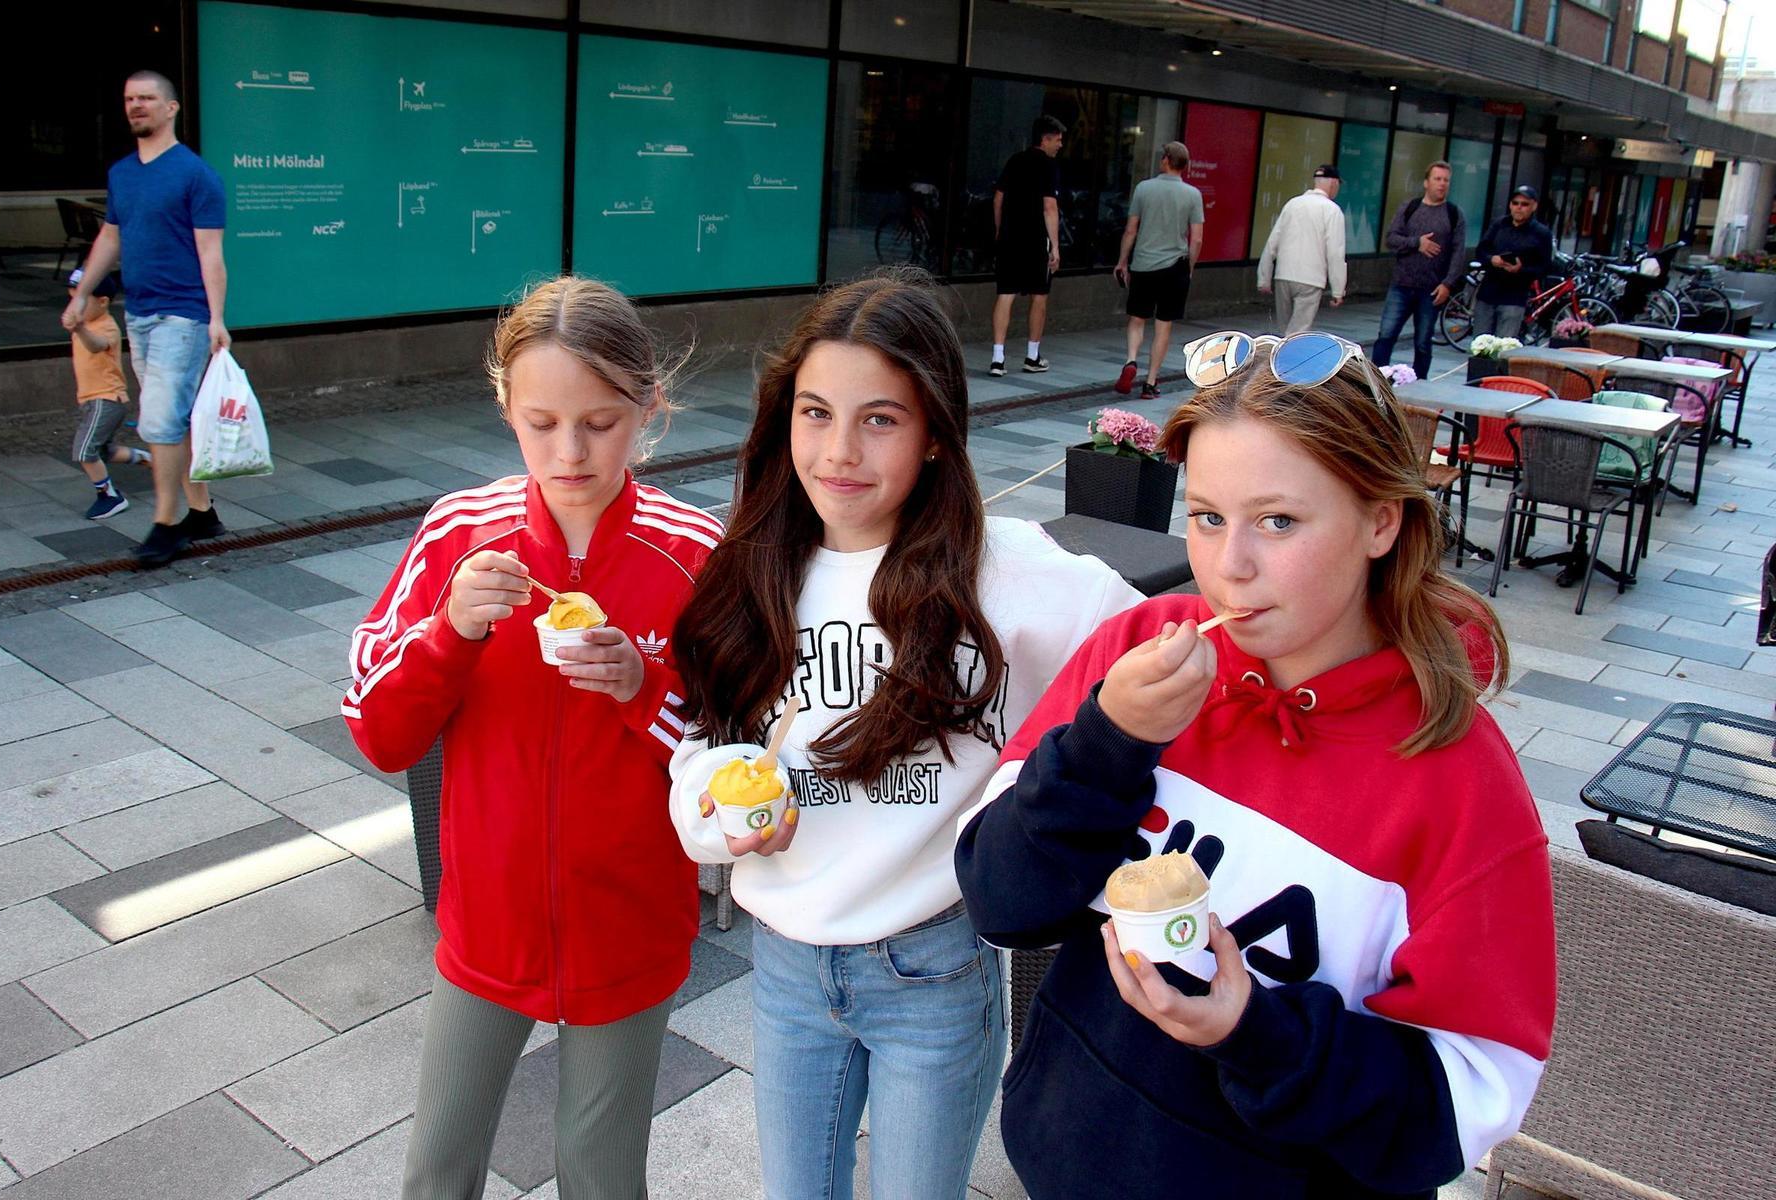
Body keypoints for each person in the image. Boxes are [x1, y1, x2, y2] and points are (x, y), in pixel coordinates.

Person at [957, 330, 1556, 1198]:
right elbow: (1000, 898)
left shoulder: (1457, 776)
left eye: (1278, 520)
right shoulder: (1138, 651)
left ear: (1381, 520)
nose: (1229, 568)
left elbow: (1459, 1105)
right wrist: (1108, 743)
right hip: (1066, 1161)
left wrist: (1251, 1029)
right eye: (1207, 517)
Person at [667, 272, 1138, 1199]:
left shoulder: (1008, 574)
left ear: (933, 435)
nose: (838, 451)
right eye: (815, 413)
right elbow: (701, 749)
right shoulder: (752, 568)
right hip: (787, 970)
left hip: (935, 965)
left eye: (880, 418)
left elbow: (1170, 643)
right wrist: (714, 816)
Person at [343, 277, 720, 1200]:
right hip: (486, 921)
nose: (570, 451)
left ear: (648, 405)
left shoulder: (697, 551)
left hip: (630, 927)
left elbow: (740, 753)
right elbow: (379, 733)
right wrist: (449, 635)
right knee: (438, 1170)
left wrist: (644, 687)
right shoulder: (458, 537)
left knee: (599, 1173)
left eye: (600, 421)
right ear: (507, 407)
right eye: (541, 422)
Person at [62, 69, 230, 569]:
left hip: (184, 315)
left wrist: (216, 318)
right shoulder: (122, 174)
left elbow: (211, 253)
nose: (137, 106)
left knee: (158, 420)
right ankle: (202, 512)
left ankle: (167, 524)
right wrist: (83, 293)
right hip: (139, 313)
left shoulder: (196, 175)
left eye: (147, 99)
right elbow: (110, 237)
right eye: (130, 98)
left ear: (171, 108)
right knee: (172, 419)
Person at [1114, 141, 1204, 399]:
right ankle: (1150, 382)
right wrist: (1190, 267)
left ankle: (1131, 360)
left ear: (1165, 160)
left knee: (1137, 319)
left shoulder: (1144, 188)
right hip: (1175, 266)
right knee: (1163, 326)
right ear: (1184, 166)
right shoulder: (1192, 195)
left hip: (1143, 264)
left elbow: (1131, 229)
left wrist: (1122, 261)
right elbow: (1197, 238)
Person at [63, 267, 151, 520]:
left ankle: (110, 496)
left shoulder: (105, 326)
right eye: (72, 299)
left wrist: (79, 328)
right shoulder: (88, 321)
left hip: (107, 399)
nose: (74, 306)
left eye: (81, 300)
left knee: (84, 451)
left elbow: (96, 345)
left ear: (103, 302)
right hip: (95, 399)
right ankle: (149, 460)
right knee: (104, 451)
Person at [1373, 161, 1466, 381]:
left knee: (1423, 343)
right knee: (1386, 335)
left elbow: (1458, 252)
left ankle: (1420, 386)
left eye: (1446, 180)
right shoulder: (1410, 207)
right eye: (1437, 179)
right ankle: (1375, 383)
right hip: (1402, 285)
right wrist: (1417, 243)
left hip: (1431, 289)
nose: (1442, 184)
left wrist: (1448, 284)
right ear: (1426, 182)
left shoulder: (1453, 213)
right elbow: (1391, 239)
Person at [988, 115, 1066, 378]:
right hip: (1035, 240)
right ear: (1045, 139)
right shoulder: (1048, 166)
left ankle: (997, 358)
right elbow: (1049, 207)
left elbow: (998, 198)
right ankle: (1032, 355)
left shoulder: (1014, 160)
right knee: (1039, 297)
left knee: (1005, 295)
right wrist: (1055, 247)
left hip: (1009, 238)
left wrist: (1000, 229)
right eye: (1057, 140)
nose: (1060, 145)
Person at [1256, 165, 1348, 335]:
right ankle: (1289, 360)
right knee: (1298, 331)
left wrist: (1264, 278)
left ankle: (1279, 356)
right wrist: (1338, 289)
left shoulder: (1292, 204)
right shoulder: (1332, 211)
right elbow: (1335, 253)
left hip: (1283, 275)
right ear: (1334, 183)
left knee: (1283, 328)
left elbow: (1272, 242)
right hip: (1311, 279)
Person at [1470, 185, 1554, 340]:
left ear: (1534, 206)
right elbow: (1481, 250)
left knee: (1503, 348)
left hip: (1514, 298)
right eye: (1515, 203)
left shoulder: (1541, 233)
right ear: (1510, 205)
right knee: (1479, 346)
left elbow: (1544, 267)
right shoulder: (1499, 224)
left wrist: (1521, 270)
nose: (1519, 208)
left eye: (1524, 204)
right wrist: (1492, 259)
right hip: (1488, 293)